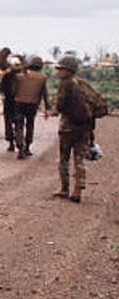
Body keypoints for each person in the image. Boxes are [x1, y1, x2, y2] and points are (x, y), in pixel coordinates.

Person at [51, 54, 99, 202]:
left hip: (68, 128)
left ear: (67, 70)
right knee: (79, 159)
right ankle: (78, 189)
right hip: (84, 127)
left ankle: (64, 189)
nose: (58, 72)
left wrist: (55, 110)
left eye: (60, 69)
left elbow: (60, 105)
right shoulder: (82, 83)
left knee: (64, 159)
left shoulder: (65, 84)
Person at [11, 56, 50, 159]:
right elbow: (45, 94)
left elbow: (13, 91)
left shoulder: (19, 76)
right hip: (33, 104)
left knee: (19, 125)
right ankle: (27, 147)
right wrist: (47, 108)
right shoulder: (43, 77)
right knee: (30, 124)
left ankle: (20, 147)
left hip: (19, 103)